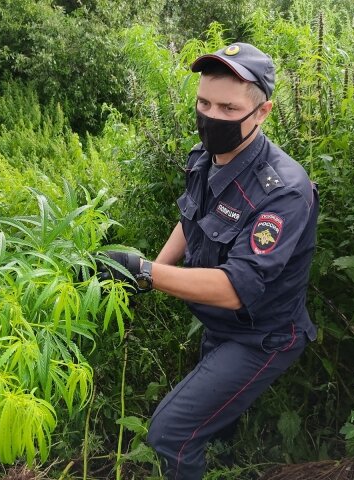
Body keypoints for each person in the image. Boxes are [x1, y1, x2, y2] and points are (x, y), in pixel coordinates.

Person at [100, 42, 319, 480]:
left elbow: (235, 288)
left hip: (262, 335)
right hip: (219, 323)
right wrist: (143, 274)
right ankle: (227, 460)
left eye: (227, 107)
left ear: (261, 113)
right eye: (203, 102)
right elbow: (191, 220)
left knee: (170, 433)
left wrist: (144, 272)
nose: (211, 117)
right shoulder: (206, 157)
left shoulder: (283, 191)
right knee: (216, 424)